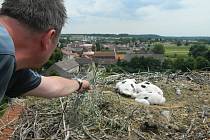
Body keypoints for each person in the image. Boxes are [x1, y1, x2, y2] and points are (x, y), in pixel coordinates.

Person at [0, 0, 90, 103]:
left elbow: (50, 86)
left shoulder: (12, 67)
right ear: (49, 38)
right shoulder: (4, 51)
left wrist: (79, 84)